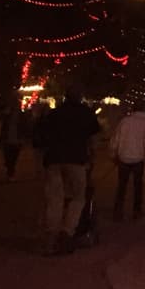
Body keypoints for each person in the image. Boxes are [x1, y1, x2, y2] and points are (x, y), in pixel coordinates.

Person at [37, 84, 100, 255]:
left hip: (54, 160)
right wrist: (92, 159)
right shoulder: (86, 114)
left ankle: (51, 237)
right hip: (76, 160)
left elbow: (42, 138)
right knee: (79, 197)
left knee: (54, 199)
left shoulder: (54, 114)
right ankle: (67, 231)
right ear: (80, 97)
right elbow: (93, 139)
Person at [110, 102, 145, 221]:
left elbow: (116, 139)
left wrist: (113, 153)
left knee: (122, 186)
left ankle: (118, 211)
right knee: (138, 186)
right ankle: (137, 211)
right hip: (137, 158)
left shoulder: (124, 121)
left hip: (124, 157)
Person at [0, 96, 26, 180]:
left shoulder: (21, 115)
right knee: (8, 157)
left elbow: (25, 127)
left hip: (16, 139)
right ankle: (10, 171)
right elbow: (1, 122)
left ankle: (11, 172)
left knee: (13, 157)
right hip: (8, 139)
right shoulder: (8, 114)